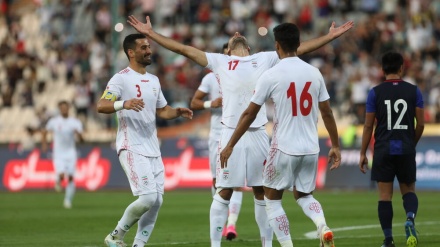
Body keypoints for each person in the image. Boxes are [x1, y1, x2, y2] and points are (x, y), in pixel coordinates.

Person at [128, 15, 353, 247]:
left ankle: (268, 244)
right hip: (230, 132)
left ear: (249, 47)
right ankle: (215, 245)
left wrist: (329, 37)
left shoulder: (264, 59)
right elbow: (184, 49)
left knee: (261, 192)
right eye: (232, 36)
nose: (236, 34)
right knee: (224, 190)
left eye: (239, 35)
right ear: (228, 51)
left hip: (257, 134)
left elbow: (296, 48)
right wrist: (152, 34)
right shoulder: (219, 62)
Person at [220, 23, 341, 247]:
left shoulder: (271, 75)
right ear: (298, 43)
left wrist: (230, 144)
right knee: (304, 195)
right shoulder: (314, 73)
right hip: (311, 148)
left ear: (277, 45)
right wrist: (335, 145)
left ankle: (287, 245)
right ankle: (322, 224)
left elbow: (249, 113)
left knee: (271, 199)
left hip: (283, 147)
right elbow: (328, 112)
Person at [97, 33, 193, 247]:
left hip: (153, 148)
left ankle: (138, 245)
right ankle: (115, 235)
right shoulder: (120, 78)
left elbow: (162, 110)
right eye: (143, 47)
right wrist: (124, 104)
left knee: (157, 201)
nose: (149, 50)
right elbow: (101, 105)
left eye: (149, 47)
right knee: (148, 198)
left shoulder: (154, 80)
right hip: (131, 146)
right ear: (131, 52)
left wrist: (176, 112)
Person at [358, 51, 424, 247]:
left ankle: (388, 240)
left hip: (383, 148)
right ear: (402, 68)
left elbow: (368, 126)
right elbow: (420, 124)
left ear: (382, 70)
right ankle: (410, 218)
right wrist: (412, 143)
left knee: (385, 196)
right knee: (409, 190)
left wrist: (362, 153)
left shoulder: (375, 92)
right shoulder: (414, 91)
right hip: (405, 146)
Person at [190, 43, 244, 241]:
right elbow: (194, 102)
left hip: (239, 133)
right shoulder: (210, 78)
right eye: (226, 54)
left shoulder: (245, 74)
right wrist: (210, 103)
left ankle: (231, 224)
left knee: (237, 182)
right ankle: (222, 223)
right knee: (217, 181)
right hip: (217, 134)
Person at [41, 100, 84, 209]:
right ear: (60, 109)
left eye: (66, 107)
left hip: (71, 153)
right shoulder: (54, 121)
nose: (64, 109)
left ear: (68, 108)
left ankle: (67, 200)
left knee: (70, 177)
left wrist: (78, 135)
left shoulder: (74, 122)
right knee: (61, 175)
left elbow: (82, 139)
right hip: (58, 153)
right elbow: (45, 131)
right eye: (62, 108)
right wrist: (44, 144)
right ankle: (58, 180)